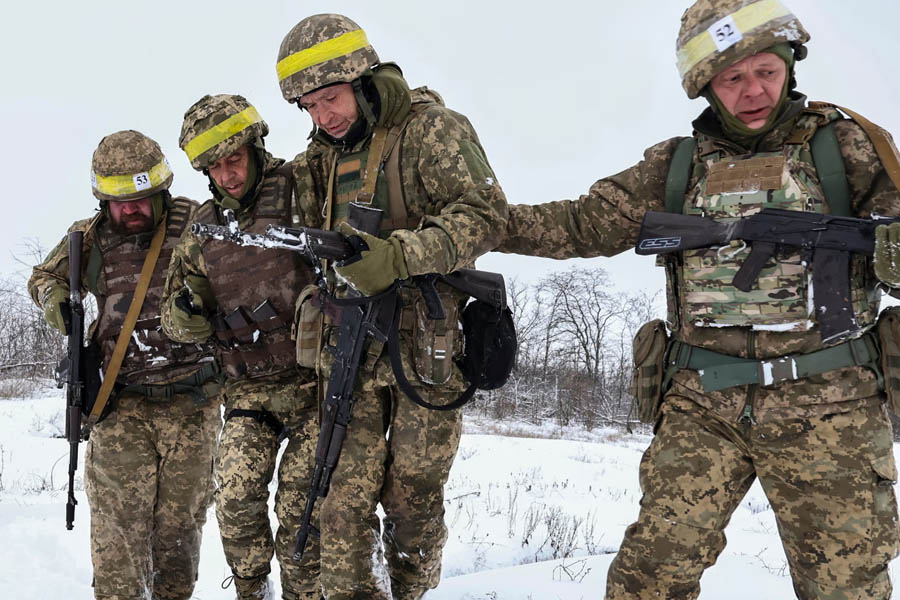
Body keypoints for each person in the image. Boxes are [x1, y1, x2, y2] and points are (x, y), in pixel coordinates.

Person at [498, 1, 900, 598]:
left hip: (830, 409)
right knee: (646, 580)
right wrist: (477, 227)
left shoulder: (850, 148)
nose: (753, 91)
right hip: (702, 407)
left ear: (790, 63)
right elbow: (581, 224)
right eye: (731, 78)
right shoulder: (676, 165)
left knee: (845, 588)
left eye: (765, 70)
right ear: (706, 87)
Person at [275, 13, 508, 599]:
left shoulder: (433, 130)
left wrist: (400, 257)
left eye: (330, 98)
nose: (323, 116)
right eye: (309, 106)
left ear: (363, 79)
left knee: (414, 507)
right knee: (339, 503)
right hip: (347, 349)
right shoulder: (318, 160)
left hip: (423, 351)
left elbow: (485, 216)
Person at [28, 130, 221, 600]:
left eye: (141, 199)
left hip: (193, 405)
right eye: (119, 203)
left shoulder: (199, 222)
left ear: (160, 190)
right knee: (118, 546)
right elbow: (44, 278)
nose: (130, 210)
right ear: (102, 201)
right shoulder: (89, 237)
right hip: (121, 409)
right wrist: (59, 304)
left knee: (178, 542)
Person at [161, 94, 321, 600]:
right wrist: (187, 318)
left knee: (302, 506)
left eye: (235, 160)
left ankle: (307, 593)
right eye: (215, 166)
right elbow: (173, 314)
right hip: (250, 392)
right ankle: (252, 590)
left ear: (255, 148)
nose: (227, 175)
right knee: (233, 497)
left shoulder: (303, 188)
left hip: (316, 386)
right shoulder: (202, 231)